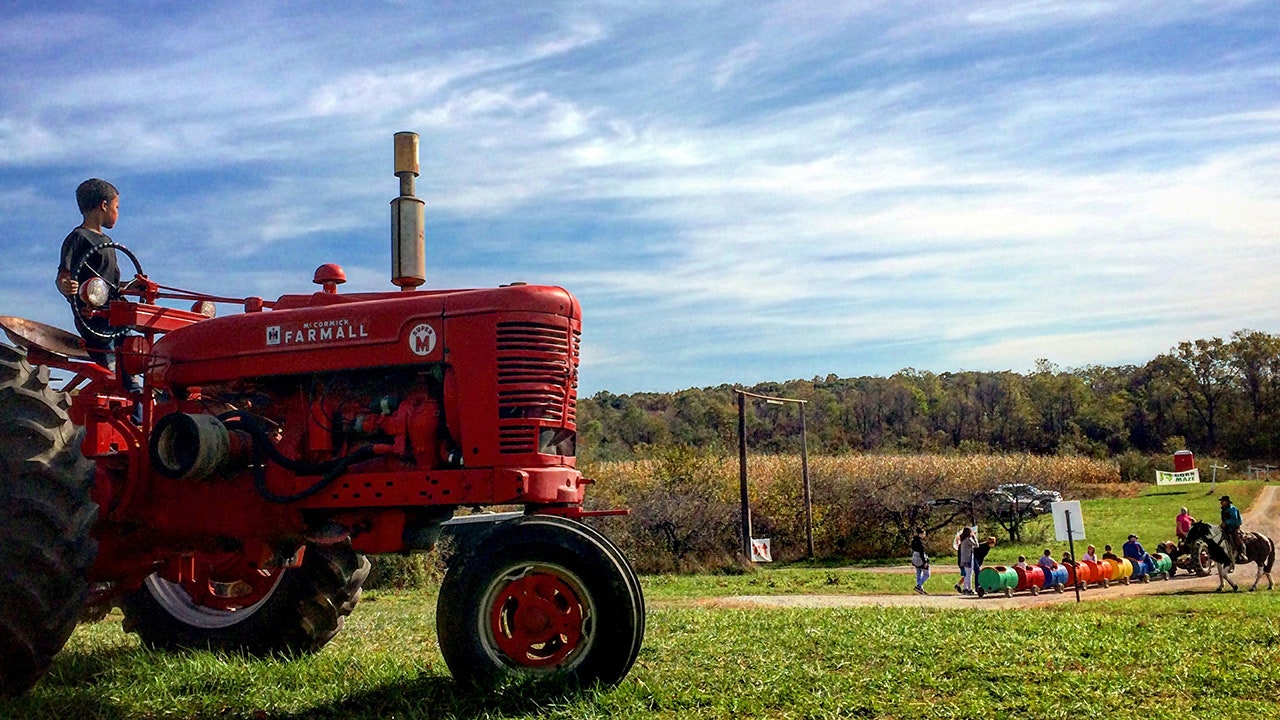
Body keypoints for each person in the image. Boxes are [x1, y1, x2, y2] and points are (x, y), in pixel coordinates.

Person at [55, 179, 142, 422]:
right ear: (103, 205)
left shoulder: (108, 244)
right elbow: (64, 275)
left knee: (135, 369)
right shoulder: (78, 238)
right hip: (94, 320)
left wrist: (131, 287)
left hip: (116, 318)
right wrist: (66, 286)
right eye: (117, 206)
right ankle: (117, 420)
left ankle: (140, 422)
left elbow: (111, 287)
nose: (117, 212)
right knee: (113, 372)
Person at [1220, 495, 1247, 564]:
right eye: (1221, 501)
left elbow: (1234, 519)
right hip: (1225, 528)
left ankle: (1242, 552)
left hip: (1234, 527)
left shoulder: (1232, 509)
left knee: (1236, 538)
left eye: (1223, 501)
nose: (1221, 502)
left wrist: (1226, 522)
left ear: (1227, 502)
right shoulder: (1223, 509)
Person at [956, 527, 976, 595]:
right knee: (969, 575)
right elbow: (976, 545)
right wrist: (974, 537)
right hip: (969, 558)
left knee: (966, 575)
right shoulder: (968, 539)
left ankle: (965, 588)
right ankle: (969, 589)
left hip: (963, 559)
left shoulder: (963, 539)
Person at [910, 528, 930, 594]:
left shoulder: (913, 540)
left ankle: (921, 589)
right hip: (920, 558)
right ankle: (919, 586)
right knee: (927, 574)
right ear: (920, 534)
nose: (924, 535)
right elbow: (921, 552)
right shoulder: (920, 542)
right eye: (923, 534)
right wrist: (925, 562)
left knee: (919, 573)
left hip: (914, 557)